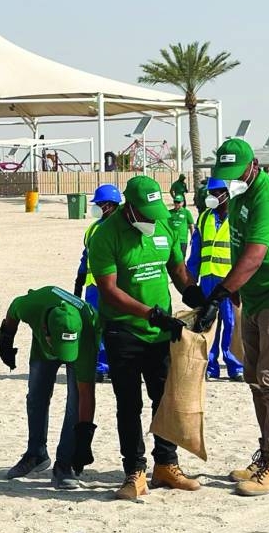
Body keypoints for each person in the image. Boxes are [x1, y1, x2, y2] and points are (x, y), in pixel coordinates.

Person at [197, 139, 269, 496]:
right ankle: (265, 454)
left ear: (255, 165)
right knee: (253, 376)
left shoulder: (268, 199)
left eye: (237, 173)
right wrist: (232, 294)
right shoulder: (240, 196)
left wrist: (219, 295)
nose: (232, 180)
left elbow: (253, 257)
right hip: (253, 296)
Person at [87, 175, 203, 500]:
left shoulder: (164, 227)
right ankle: (134, 472)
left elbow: (178, 272)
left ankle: (166, 465)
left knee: (165, 400)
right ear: (131, 208)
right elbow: (108, 291)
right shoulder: (106, 235)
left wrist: (195, 296)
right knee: (129, 403)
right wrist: (149, 314)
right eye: (147, 212)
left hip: (161, 332)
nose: (153, 218)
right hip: (122, 330)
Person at [0, 285, 99, 490]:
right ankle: (35, 454)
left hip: (81, 346)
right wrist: (6, 340)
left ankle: (64, 465)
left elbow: (86, 394)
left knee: (75, 402)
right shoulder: (31, 305)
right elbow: (13, 310)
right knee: (36, 397)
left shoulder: (89, 327)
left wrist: (83, 441)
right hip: (42, 350)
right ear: (45, 330)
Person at [186, 178, 244, 381]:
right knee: (209, 323)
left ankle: (235, 366)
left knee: (231, 323)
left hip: (229, 282)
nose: (212, 196)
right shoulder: (203, 219)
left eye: (217, 192)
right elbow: (195, 254)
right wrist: (190, 283)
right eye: (211, 192)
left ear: (227, 194)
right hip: (208, 281)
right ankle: (210, 366)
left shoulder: (237, 218)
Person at [73, 183, 122, 382]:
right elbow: (86, 256)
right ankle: (101, 366)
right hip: (93, 287)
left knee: (117, 326)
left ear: (110, 205)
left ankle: (116, 364)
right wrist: (79, 280)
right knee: (95, 327)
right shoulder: (93, 228)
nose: (97, 207)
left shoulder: (121, 228)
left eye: (100, 204)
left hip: (116, 287)